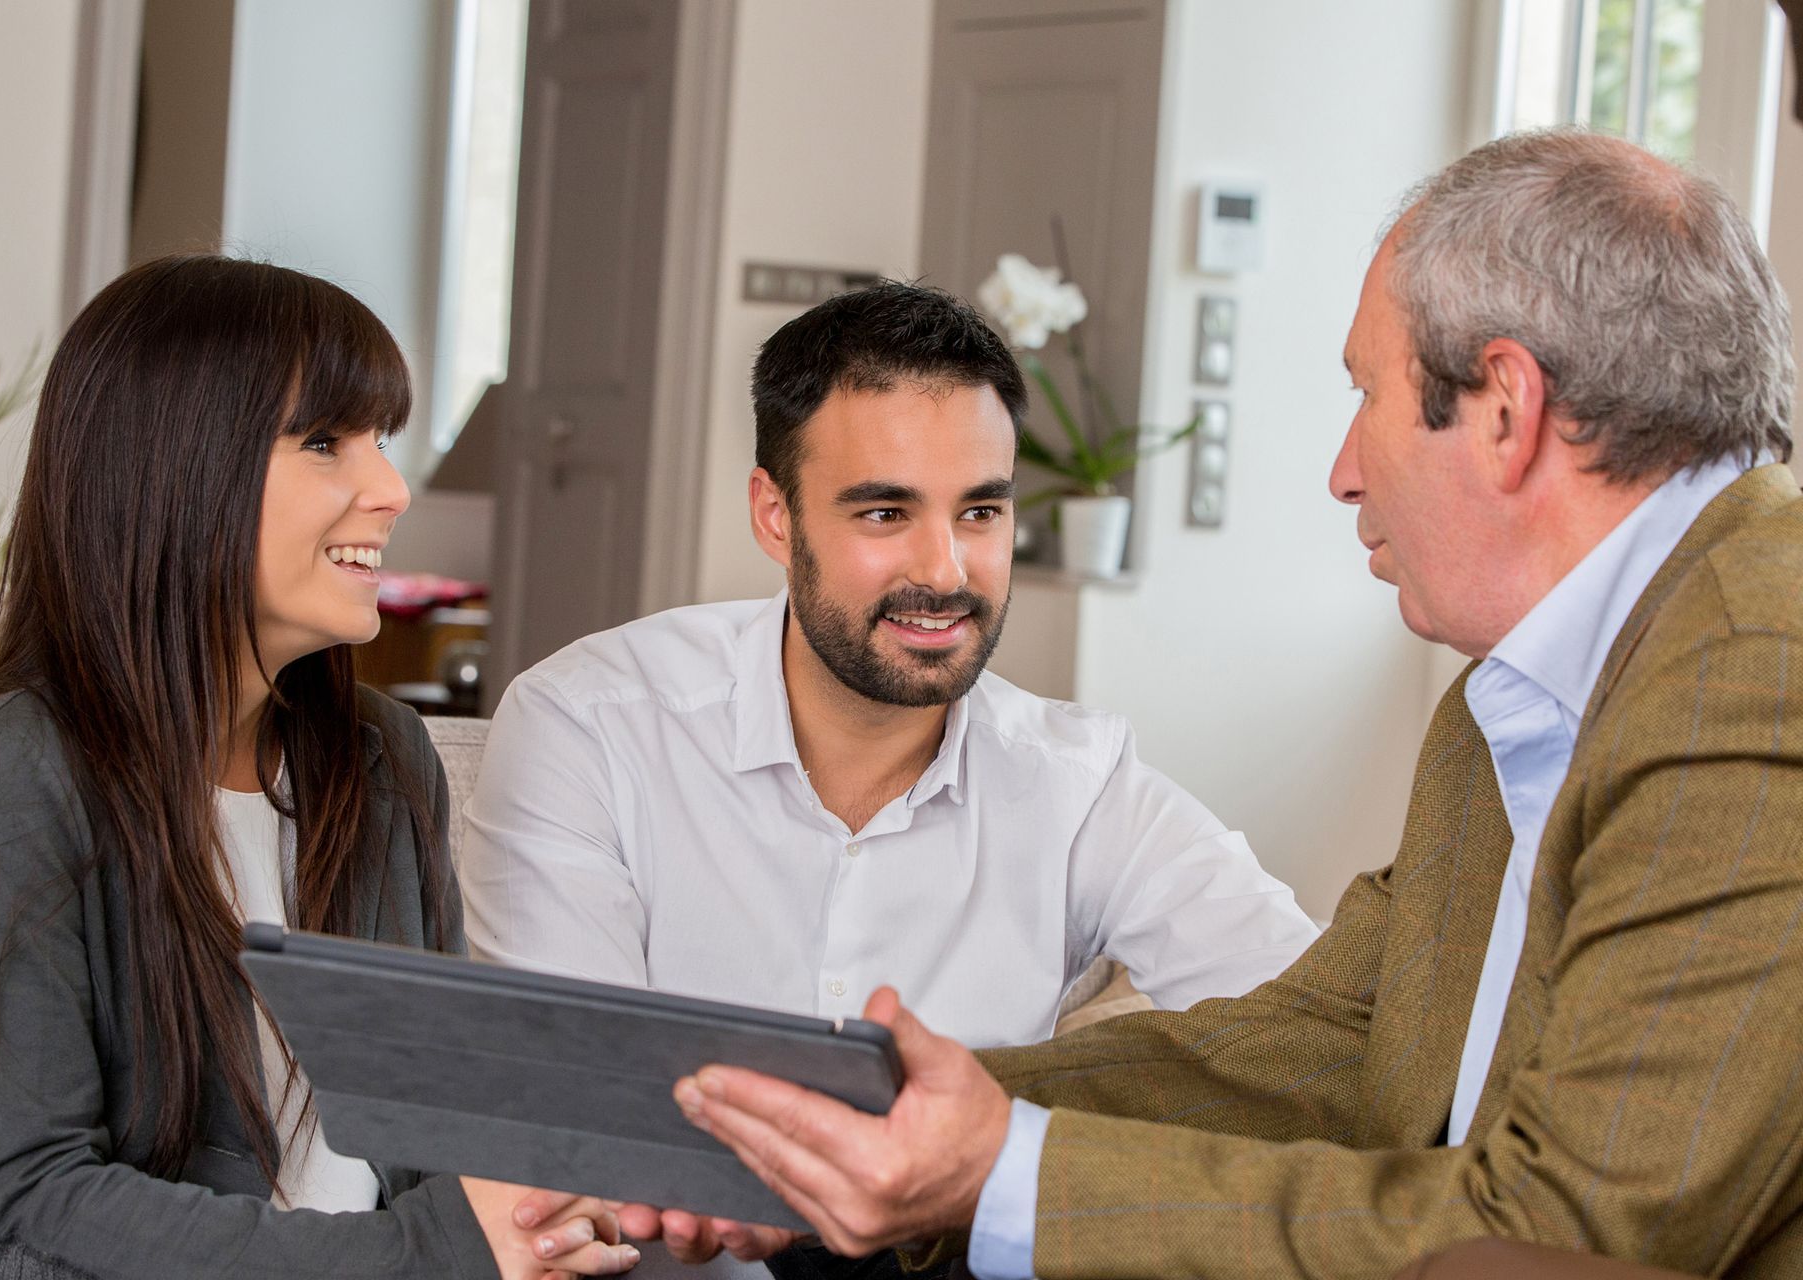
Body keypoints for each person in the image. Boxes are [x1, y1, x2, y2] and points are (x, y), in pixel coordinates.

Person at [657, 129, 1803, 1278]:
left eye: (1367, 394)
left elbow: (1562, 1239)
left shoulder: (1757, 670)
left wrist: (1000, 1171)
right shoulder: (1518, 696)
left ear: (1505, 407)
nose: (1343, 471)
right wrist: (881, 1118)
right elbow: (1323, 1042)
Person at [459, 282, 1319, 1268]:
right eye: (884, 511)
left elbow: (1308, 1027)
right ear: (775, 516)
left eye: (981, 510)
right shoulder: (590, 726)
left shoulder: (1076, 782)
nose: (946, 571)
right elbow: (575, 1104)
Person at [0, 256, 641, 1280]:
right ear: (176, 471)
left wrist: (544, 1220)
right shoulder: (9, 777)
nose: (390, 489)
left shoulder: (381, 759)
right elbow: (20, 1200)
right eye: (325, 442)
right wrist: (423, 1255)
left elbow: (439, 1117)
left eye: (381, 441)